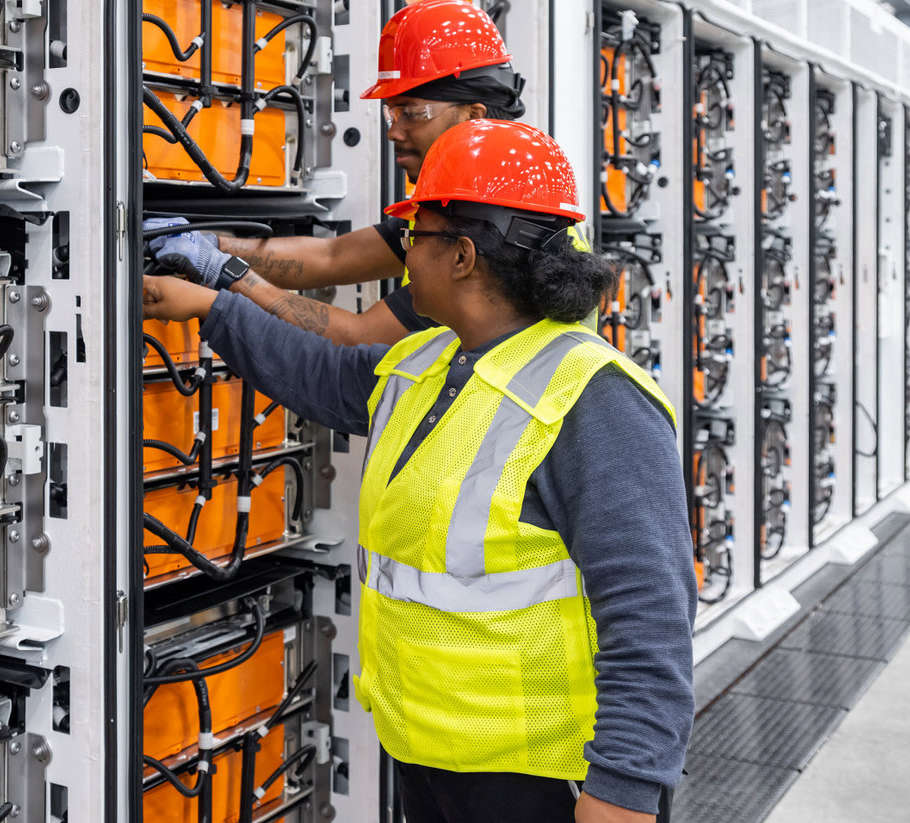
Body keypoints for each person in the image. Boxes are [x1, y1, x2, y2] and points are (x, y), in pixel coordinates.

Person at [142, 120, 693, 823]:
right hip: (431, 757)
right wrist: (213, 304)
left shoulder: (594, 397)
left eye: (416, 235)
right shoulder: (431, 362)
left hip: (543, 778)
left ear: (462, 255)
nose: (403, 254)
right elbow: (321, 372)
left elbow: (651, 618)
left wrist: (623, 792)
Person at [145, 0, 587, 346]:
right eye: (389, 113)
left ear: (473, 115)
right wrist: (208, 244)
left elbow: (358, 339)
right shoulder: (466, 200)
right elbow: (331, 258)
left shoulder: (496, 223)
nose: (395, 131)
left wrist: (223, 276)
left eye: (412, 113)